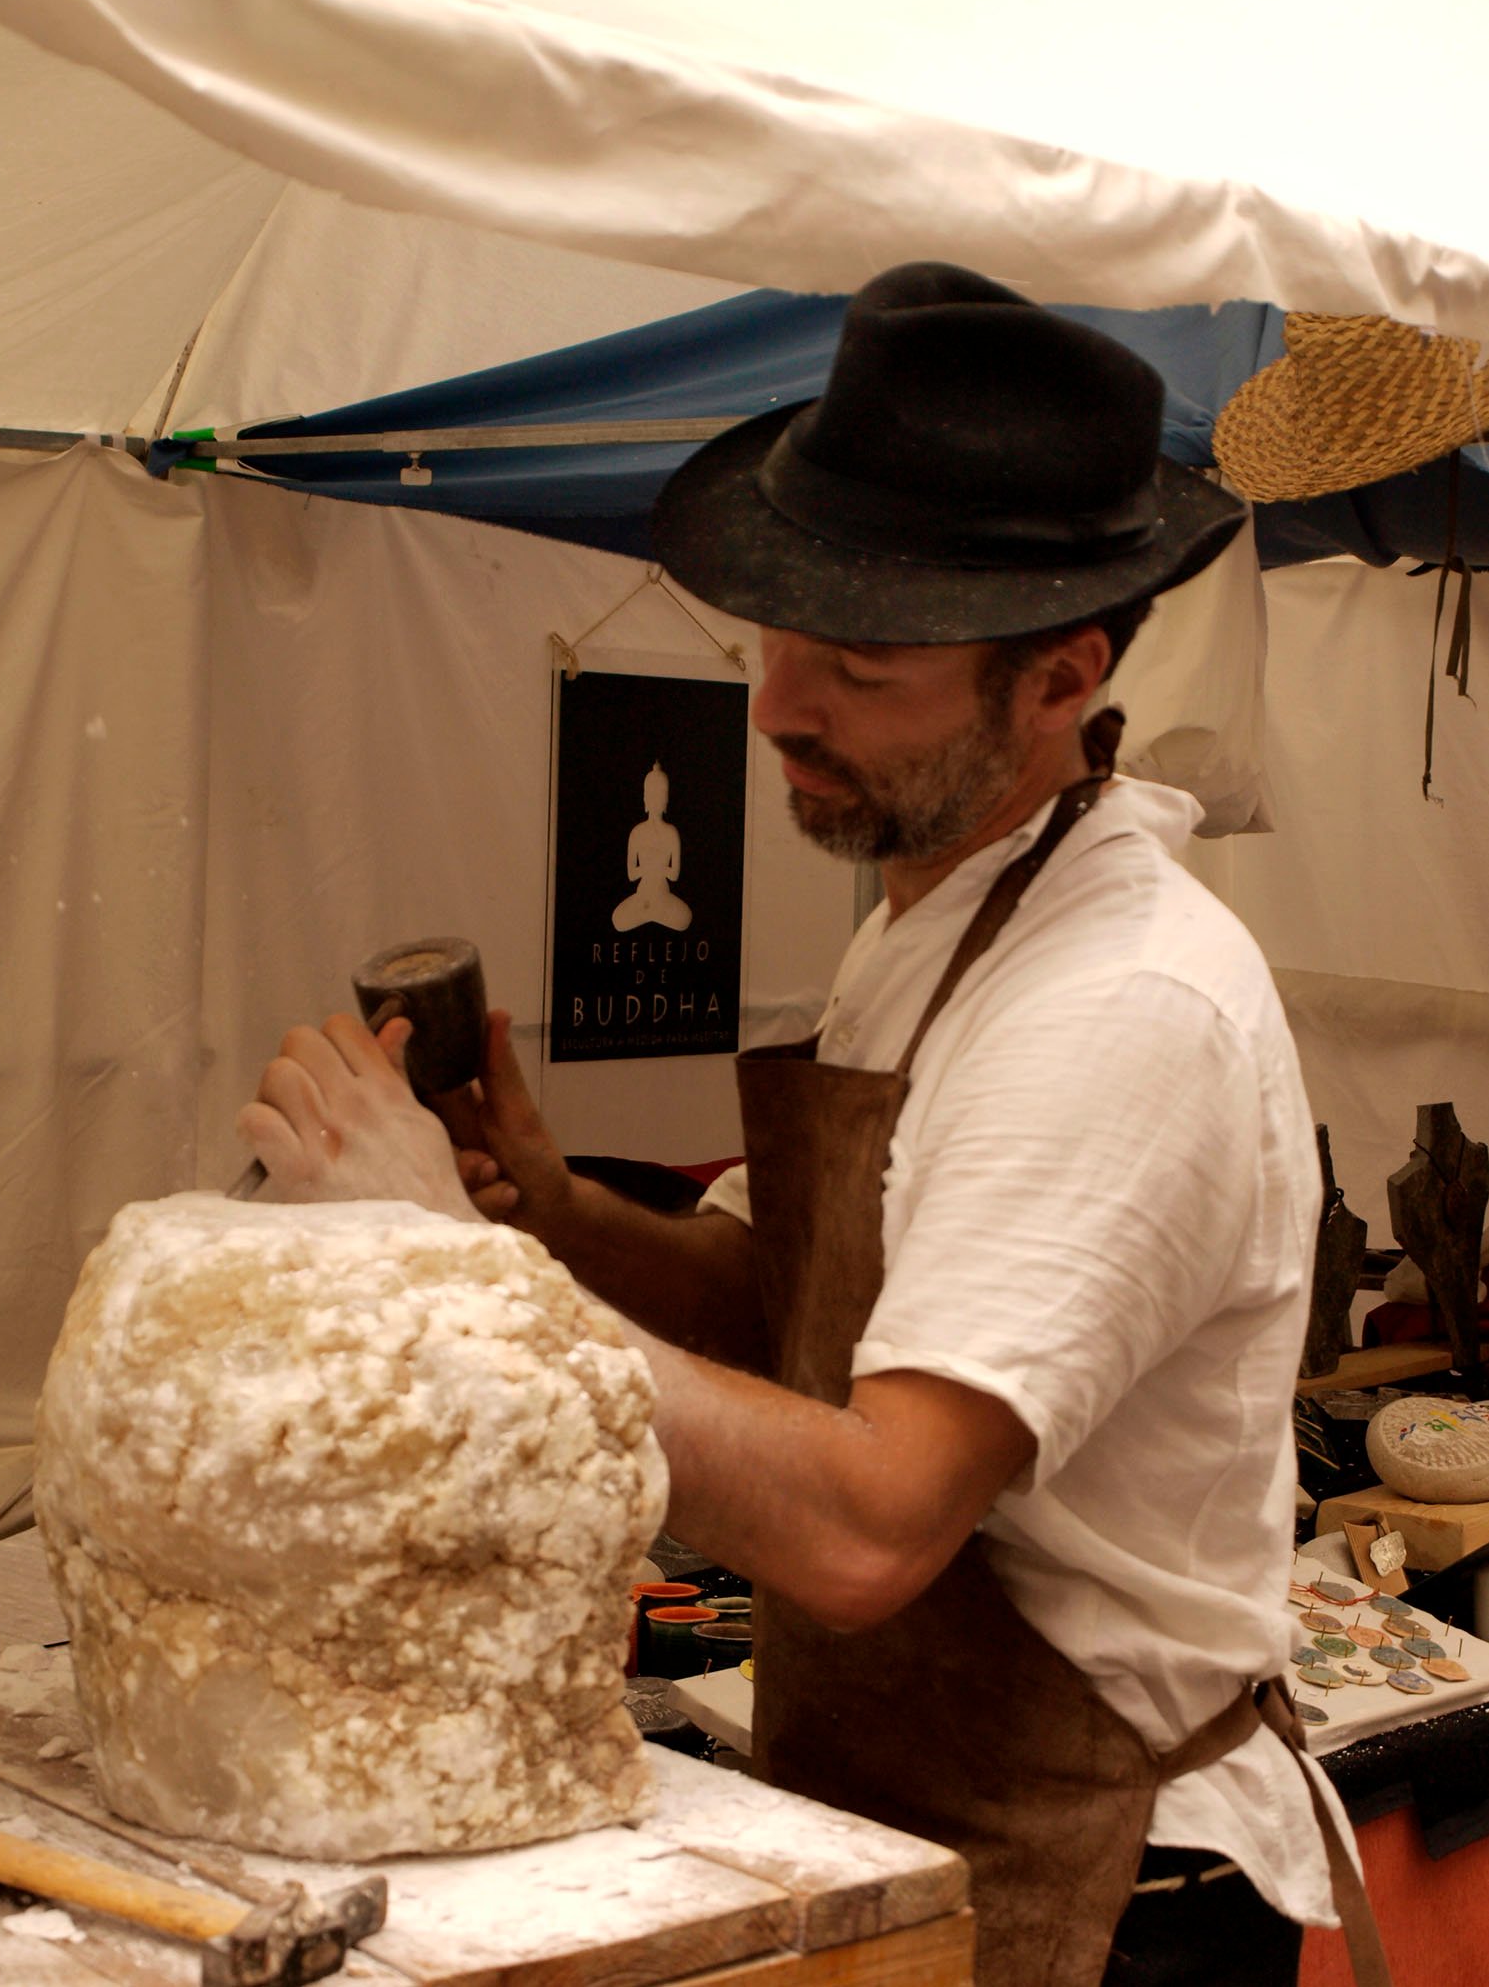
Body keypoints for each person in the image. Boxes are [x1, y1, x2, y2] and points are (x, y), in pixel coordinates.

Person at [238, 265, 1383, 1987]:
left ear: (1060, 675)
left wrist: (459, 1272)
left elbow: (866, 1527)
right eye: (776, 631)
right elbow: (815, 1314)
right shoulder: (930, 921)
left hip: (1098, 1879)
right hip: (907, 1823)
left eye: (857, 660)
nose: (776, 703)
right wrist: (552, 1214)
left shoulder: (1114, 1007)